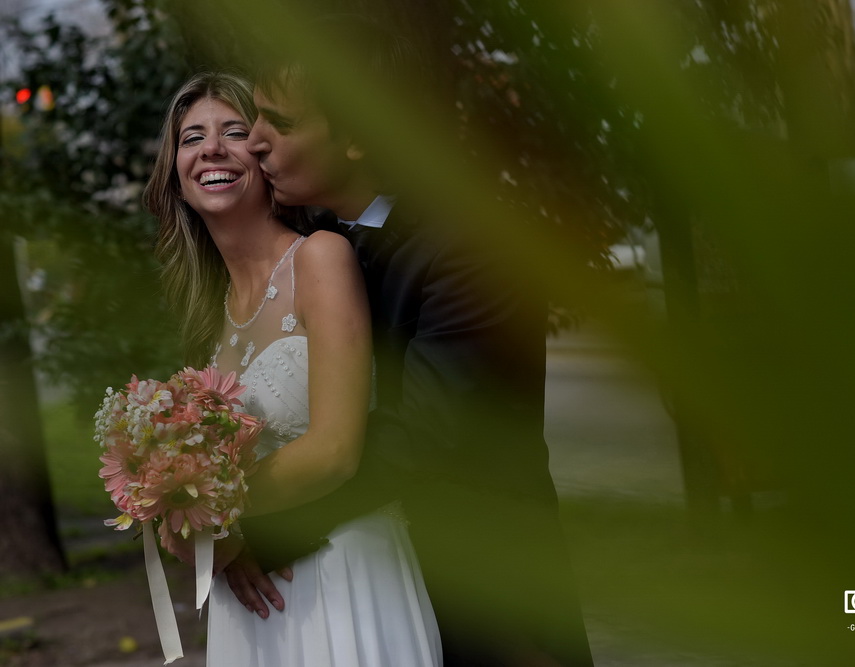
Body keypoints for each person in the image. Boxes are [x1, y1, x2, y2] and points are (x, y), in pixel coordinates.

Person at [225, 15, 595, 666]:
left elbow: (423, 433)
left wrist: (243, 511)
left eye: (279, 124)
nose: (252, 141)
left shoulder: (477, 243)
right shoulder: (302, 244)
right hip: (344, 600)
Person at [144, 70, 442, 666]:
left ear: (262, 155)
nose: (212, 149)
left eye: (234, 130)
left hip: (345, 573)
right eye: (191, 137)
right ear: (175, 174)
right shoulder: (205, 315)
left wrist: (202, 513)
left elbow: (335, 449)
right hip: (253, 600)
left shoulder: (323, 260)